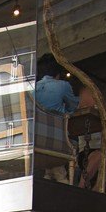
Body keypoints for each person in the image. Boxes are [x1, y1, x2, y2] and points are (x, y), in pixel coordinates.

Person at [35, 54, 79, 183]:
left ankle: (50, 176)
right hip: (57, 142)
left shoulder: (33, 88)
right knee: (74, 142)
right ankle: (62, 181)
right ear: (58, 73)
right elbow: (73, 107)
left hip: (36, 140)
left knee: (53, 170)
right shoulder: (63, 85)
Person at [77, 86, 106, 191]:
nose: (87, 98)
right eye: (84, 96)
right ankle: (81, 187)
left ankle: (98, 188)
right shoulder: (81, 114)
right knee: (99, 153)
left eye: (90, 95)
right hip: (86, 152)